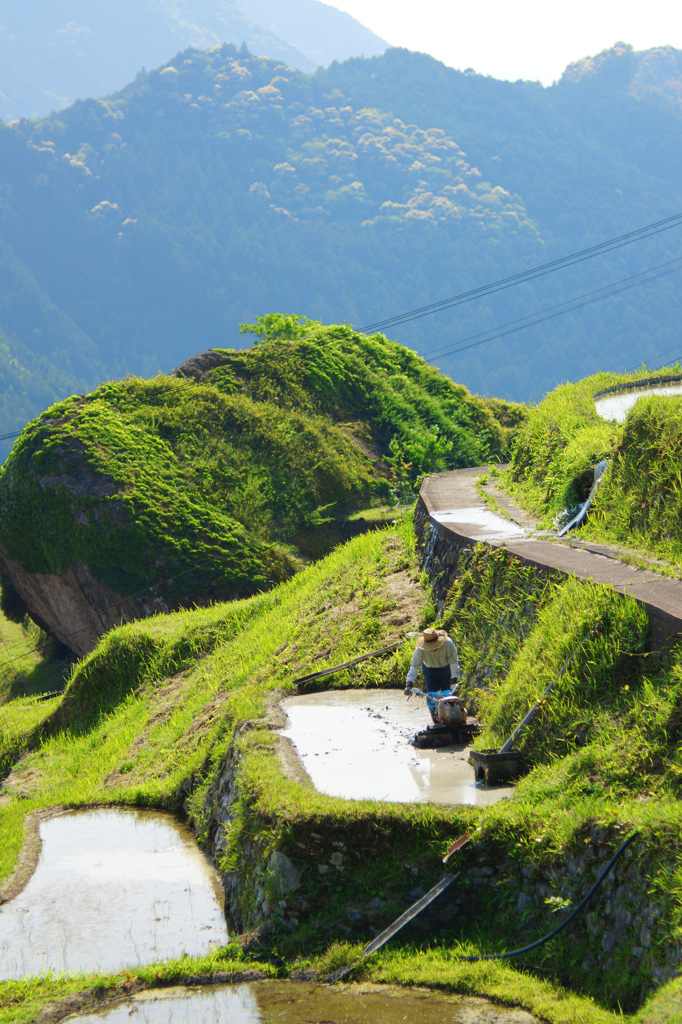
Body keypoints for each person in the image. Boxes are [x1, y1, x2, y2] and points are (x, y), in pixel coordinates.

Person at [404, 627, 460, 695]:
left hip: (446, 670)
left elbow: (453, 662)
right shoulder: (420, 649)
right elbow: (415, 666)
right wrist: (409, 684)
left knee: (449, 696)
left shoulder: (448, 644)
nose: (433, 649)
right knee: (431, 697)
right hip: (429, 672)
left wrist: (454, 678)